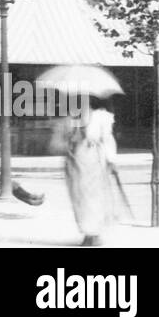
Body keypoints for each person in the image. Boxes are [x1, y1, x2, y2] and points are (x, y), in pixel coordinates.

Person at [53, 96, 119, 246]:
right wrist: (67, 142)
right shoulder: (69, 120)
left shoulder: (100, 117)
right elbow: (58, 142)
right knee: (79, 198)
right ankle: (87, 232)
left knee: (94, 197)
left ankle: (94, 234)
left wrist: (111, 160)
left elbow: (107, 139)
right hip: (74, 162)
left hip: (93, 160)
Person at [0, 141, 44, 205]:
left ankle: (30, 199)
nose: (1, 154)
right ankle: (30, 198)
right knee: (11, 184)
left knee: (12, 184)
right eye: (0, 151)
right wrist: (4, 179)